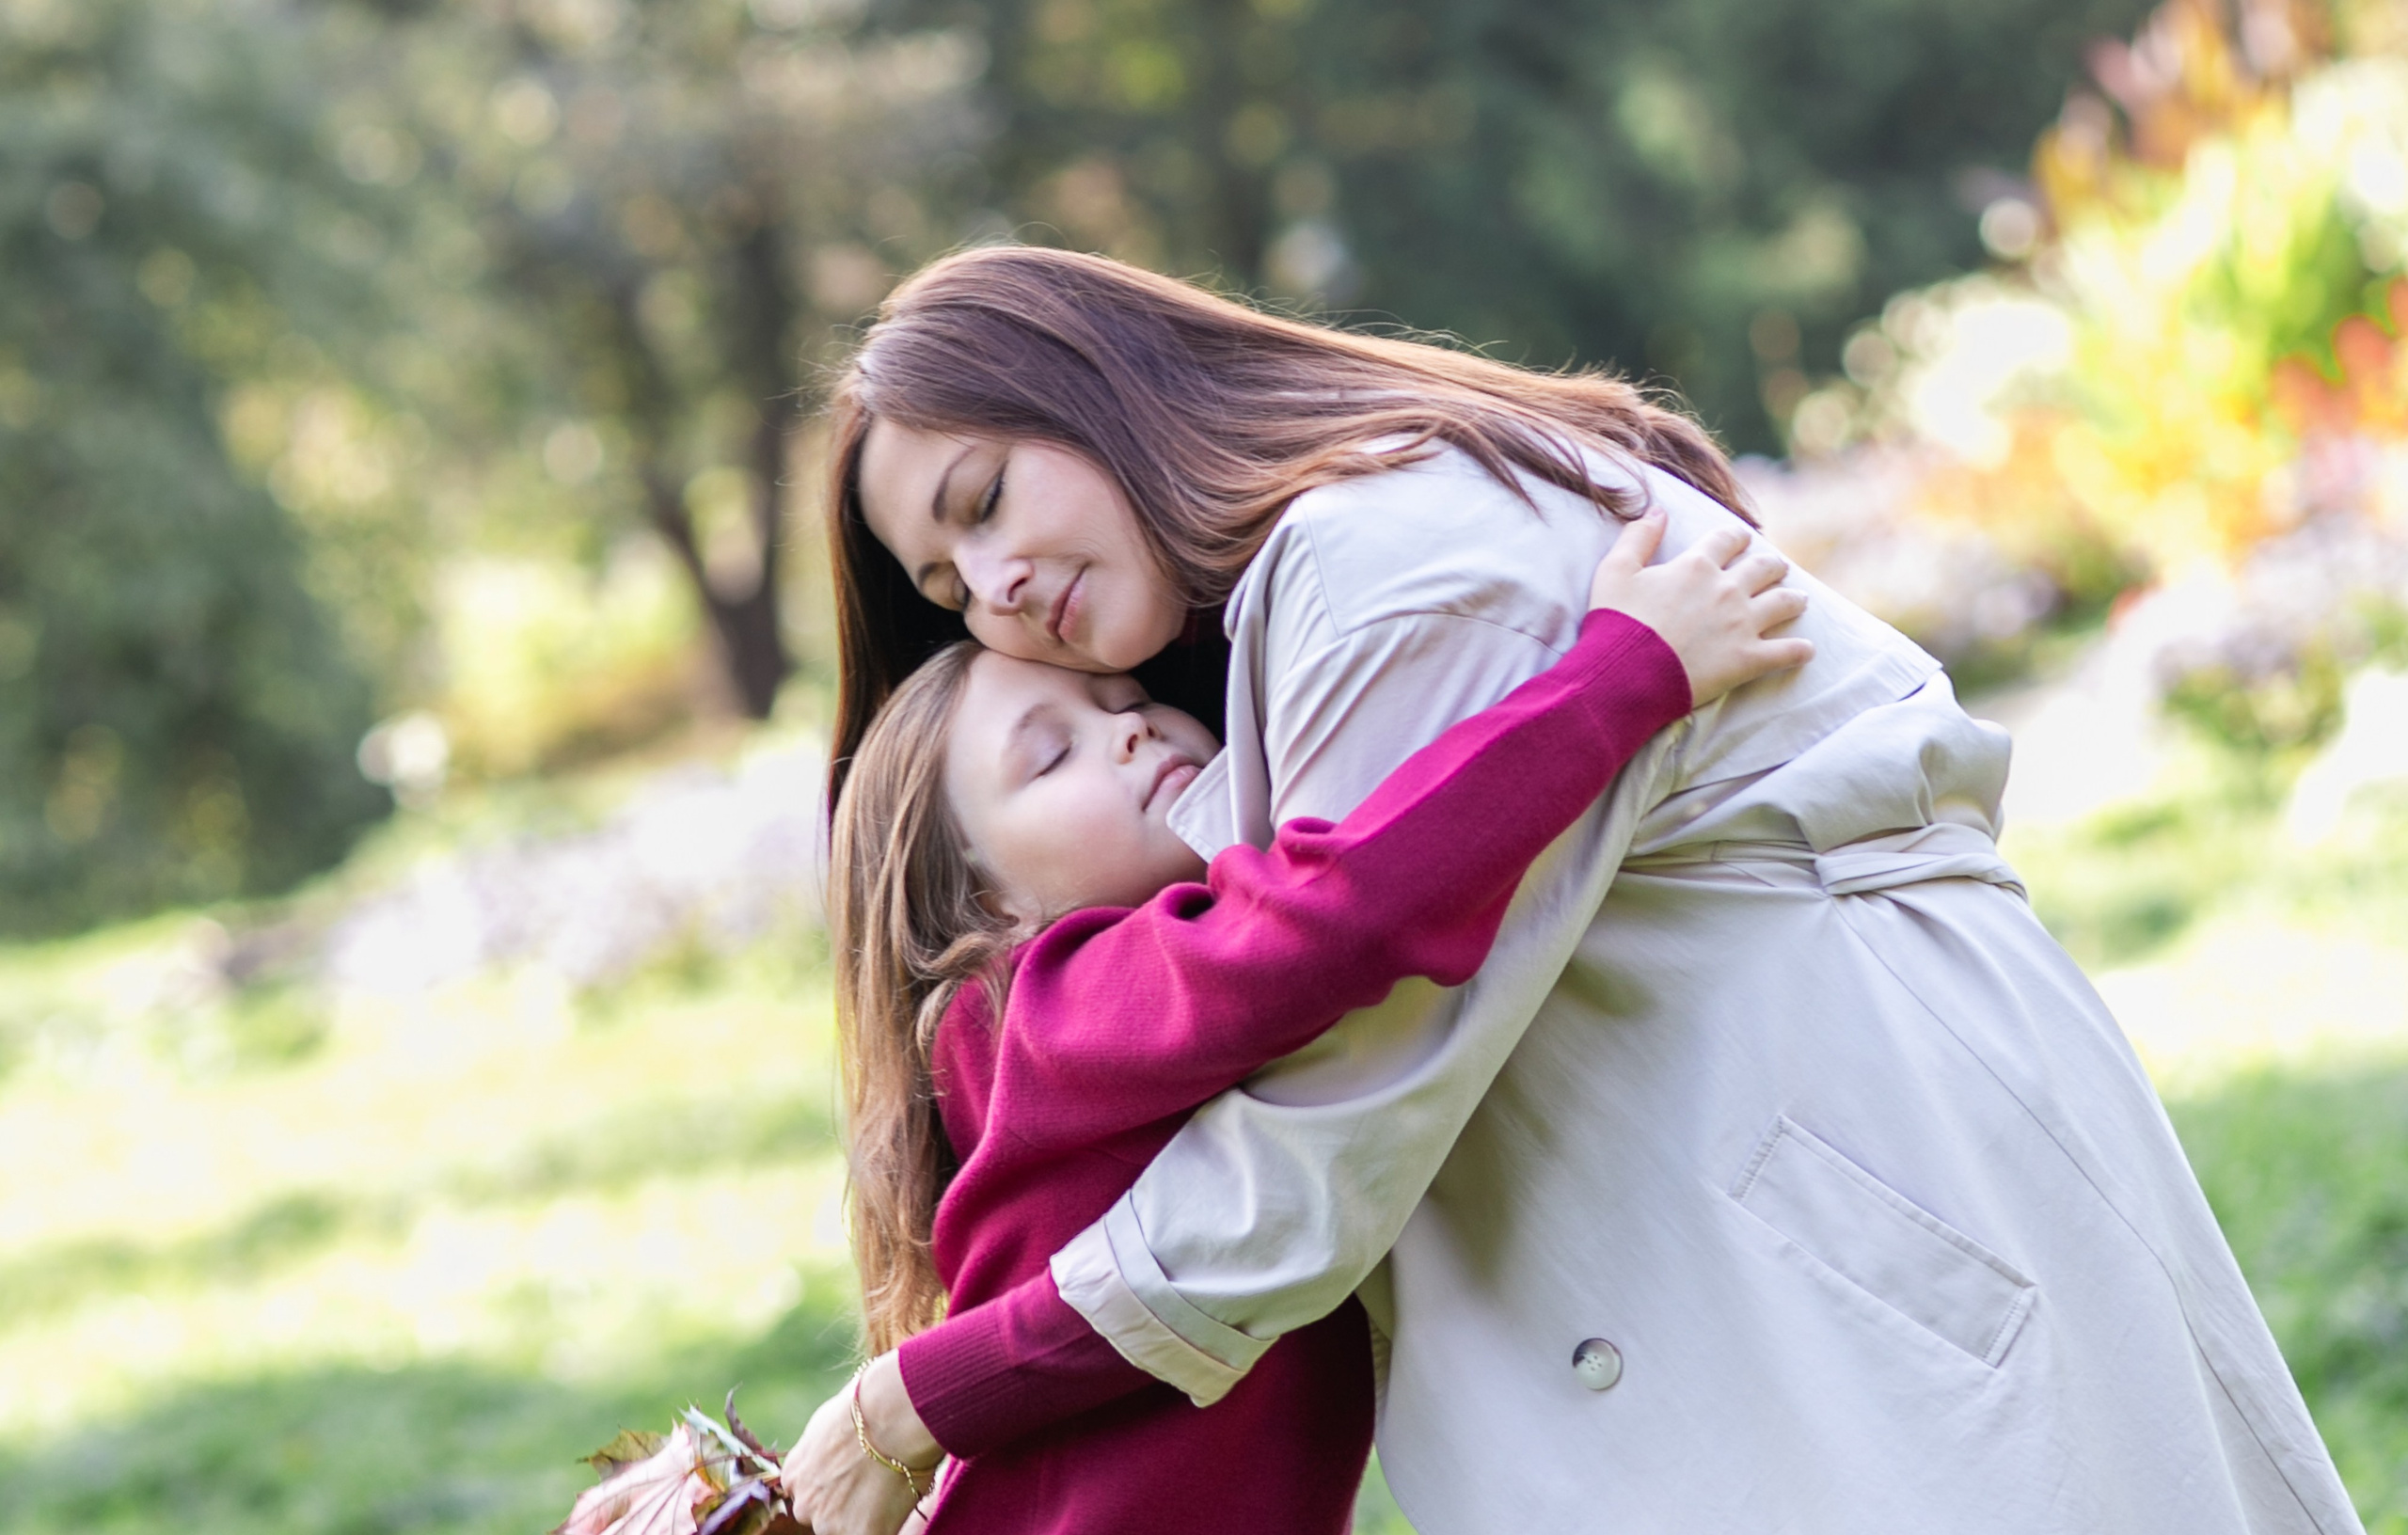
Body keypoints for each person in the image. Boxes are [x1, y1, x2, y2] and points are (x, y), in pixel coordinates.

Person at [799, 245, 2362, 1535]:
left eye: (984, 501)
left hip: (1834, 1184)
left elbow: (1330, 1102)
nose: (993, 590)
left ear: (1097, 388)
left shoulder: (1379, 566)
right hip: (1789, 1179)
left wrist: (918, 1402)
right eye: (945, 587)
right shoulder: (1270, 651)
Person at [783, 521, 1807, 1533]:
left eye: (1126, 701)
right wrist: (1626, 673)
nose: (1130, 730)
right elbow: (1351, 912)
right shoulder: (1031, 1016)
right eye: (1052, 757)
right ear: (982, 907)